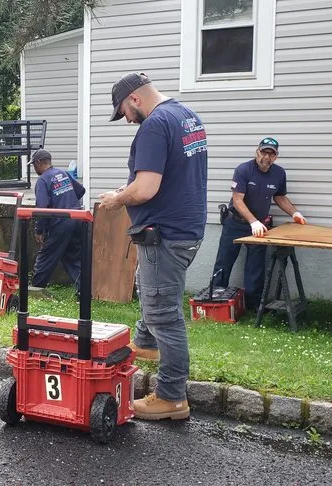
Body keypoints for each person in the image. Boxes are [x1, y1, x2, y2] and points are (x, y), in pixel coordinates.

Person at [98, 72, 207, 421]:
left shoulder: (155, 125)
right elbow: (167, 174)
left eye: (124, 113)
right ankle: (145, 343)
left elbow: (146, 189)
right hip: (186, 227)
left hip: (165, 233)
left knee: (164, 312)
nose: (127, 120)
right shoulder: (186, 116)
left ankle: (172, 397)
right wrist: (126, 187)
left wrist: (117, 200)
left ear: (135, 99)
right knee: (151, 288)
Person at [212, 137, 307, 310]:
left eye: (271, 154)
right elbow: (237, 200)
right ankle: (215, 301)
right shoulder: (243, 170)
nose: (267, 157)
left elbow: (280, 197)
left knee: (255, 267)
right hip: (235, 223)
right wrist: (253, 221)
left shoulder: (279, 173)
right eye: (264, 152)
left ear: (276, 156)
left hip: (259, 227)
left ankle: (253, 305)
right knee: (224, 262)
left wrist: (295, 213)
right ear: (257, 152)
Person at [29, 148, 85, 292]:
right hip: (78, 219)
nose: (34, 168)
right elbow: (81, 190)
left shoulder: (43, 180)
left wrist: (39, 230)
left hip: (60, 223)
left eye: (34, 165)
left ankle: (35, 290)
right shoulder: (63, 173)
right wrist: (67, 200)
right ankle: (84, 291)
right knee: (73, 257)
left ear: (39, 162)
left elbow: (42, 207)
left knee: (46, 256)